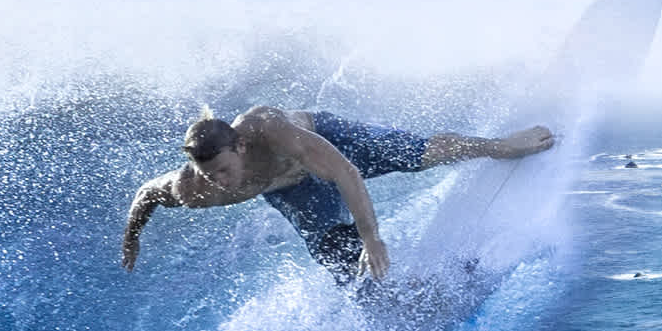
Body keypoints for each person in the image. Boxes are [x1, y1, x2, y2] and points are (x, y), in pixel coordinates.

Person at [121, 106, 556, 284]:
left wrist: (372, 236)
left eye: (223, 170)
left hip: (332, 144)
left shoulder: (270, 128)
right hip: (293, 194)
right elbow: (147, 194)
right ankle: (403, 304)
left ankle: (502, 145)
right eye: (209, 175)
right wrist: (132, 235)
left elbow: (346, 174)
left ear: (240, 146)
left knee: (417, 153)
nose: (219, 182)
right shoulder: (195, 189)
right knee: (343, 265)